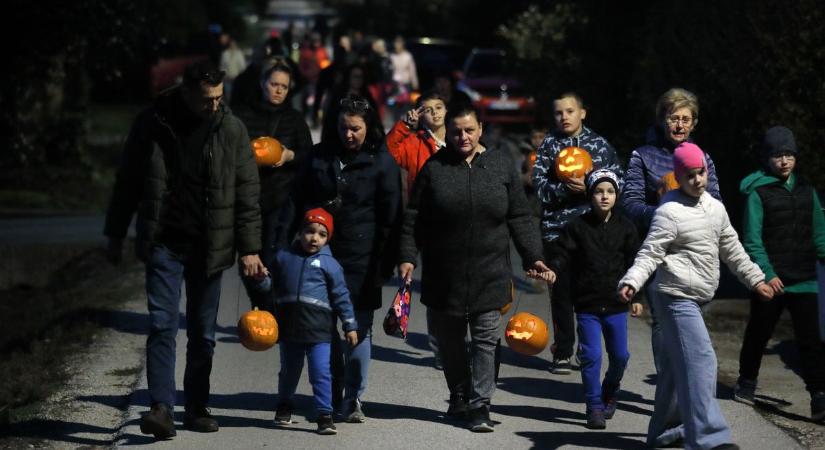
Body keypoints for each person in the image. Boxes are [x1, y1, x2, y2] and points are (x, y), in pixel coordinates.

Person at [103, 61, 265, 439]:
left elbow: (247, 194)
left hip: (210, 244)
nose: (214, 106)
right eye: (207, 99)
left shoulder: (231, 129)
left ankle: (196, 405)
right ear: (188, 92)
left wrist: (250, 248)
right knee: (162, 324)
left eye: (219, 98)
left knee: (203, 333)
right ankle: (161, 408)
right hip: (165, 239)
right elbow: (127, 180)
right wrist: (115, 232)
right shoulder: (154, 122)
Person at [398, 104, 553, 433]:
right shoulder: (435, 168)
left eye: (469, 130)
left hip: (490, 270)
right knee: (450, 340)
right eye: (456, 132)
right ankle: (459, 392)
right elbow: (415, 218)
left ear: (480, 129)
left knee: (485, 338)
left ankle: (481, 403)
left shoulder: (499, 164)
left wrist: (532, 256)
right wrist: (408, 256)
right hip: (444, 273)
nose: (462, 137)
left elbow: (520, 217)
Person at [618, 142, 774, 450]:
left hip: (698, 296)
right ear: (678, 176)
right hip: (674, 296)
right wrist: (632, 281)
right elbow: (650, 253)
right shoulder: (669, 211)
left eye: (701, 172)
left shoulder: (715, 208)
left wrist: (757, 279)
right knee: (702, 361)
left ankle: (663, 434)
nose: (698, 180)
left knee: (678, 368)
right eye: (690, 175)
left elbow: (733, 250)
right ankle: (709, 438)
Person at [300, 94, 401, 423]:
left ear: (368, 127)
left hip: (364, 258)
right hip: (321, 256)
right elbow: (298, 201)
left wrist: (389, 262)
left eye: (356, 129)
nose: (349, 135)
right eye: (344, 128)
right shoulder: (319, 157)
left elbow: (392, 217)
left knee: (358, 329)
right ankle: (332, 392)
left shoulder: (381, 162)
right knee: (326, 330)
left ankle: (354, 396)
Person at [620, 87, 723, 376]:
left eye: (685, 119)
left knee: (693, 321)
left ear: (694, 124)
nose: (679, 125)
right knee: (664, 321)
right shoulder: (643, 156)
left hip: (696, 253)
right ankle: (669, 383)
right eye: (673, 118)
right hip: (658, 251)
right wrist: (666, 214)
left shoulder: (703, 159)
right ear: (662, 119)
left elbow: (716, 202)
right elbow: (629, 204)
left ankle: (686, 382)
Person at [733, 126, 825, 422]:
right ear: (767, 159)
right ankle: (746, 381)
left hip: (804, 278)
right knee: (759, 334)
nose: (784, 161)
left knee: (810, 340)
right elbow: (752, 240)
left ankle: (819, 397)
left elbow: (820, 233)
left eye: (788, 155)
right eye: (777, 156)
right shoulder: (757, 193)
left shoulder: (807, 191)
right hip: (769, 280)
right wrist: (767, 274)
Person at [532, 92, 623, 375]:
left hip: (590, 230)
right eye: (559, 113)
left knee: (588, 291)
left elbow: (616, 180)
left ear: (582, 113)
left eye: (570, 111)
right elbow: (538, 186)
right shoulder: (549, 145)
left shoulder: (599, 145)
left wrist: (592, 188)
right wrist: (563, 189)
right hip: (556, 230)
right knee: (560, 291)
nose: (564, 117)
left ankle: (588, 348)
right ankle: (562, 351)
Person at [545, 169, 643, 430]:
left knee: (620, 356)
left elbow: (637, 262)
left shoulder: (626, 228)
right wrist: (552, 268)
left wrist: (637, 295)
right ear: (590, 195)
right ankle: (594, 405)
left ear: (617, 195)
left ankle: (610, 389)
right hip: (587, 304)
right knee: (591, 356)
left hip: (616, 305)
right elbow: (562, 254)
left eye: (610, 191)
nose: (604, 196)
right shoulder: (577, 227)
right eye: (598, 191)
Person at [253, 208, 359, 435]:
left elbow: (341, 297)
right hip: (290, 329)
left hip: (319, 331)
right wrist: (262, 281)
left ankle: (324, 414)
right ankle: (284, 406)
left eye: (321, 234)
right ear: (300, 232)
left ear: (327, 238)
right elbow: (271, 287)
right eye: (309, 231)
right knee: (289, 371)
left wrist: (349, 325)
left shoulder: (330, 265)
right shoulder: (284, 258)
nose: (314, 238)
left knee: (320, 372)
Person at [234, 59, 313, 311]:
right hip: (248, 199)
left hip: (282, 198)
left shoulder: (294, 119)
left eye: (284, 86)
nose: (278, 90)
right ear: (262, 84)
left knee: (273, 257)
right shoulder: (243, 115)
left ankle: (271, 310)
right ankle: (262, 304)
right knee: (248, 257)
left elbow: (309, 156)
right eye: (274, 84)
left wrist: (290, 155)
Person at [219, 35, 246, 103]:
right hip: (227, 78)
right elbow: (222, 66)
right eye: (231, 44)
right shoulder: (225, 53)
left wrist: (240, 77)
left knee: (236, 94)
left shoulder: (239, 53)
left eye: (234, 44)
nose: (232, 45)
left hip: (236, 78)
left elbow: (242, 67)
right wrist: (224, 76)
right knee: (228, 95)